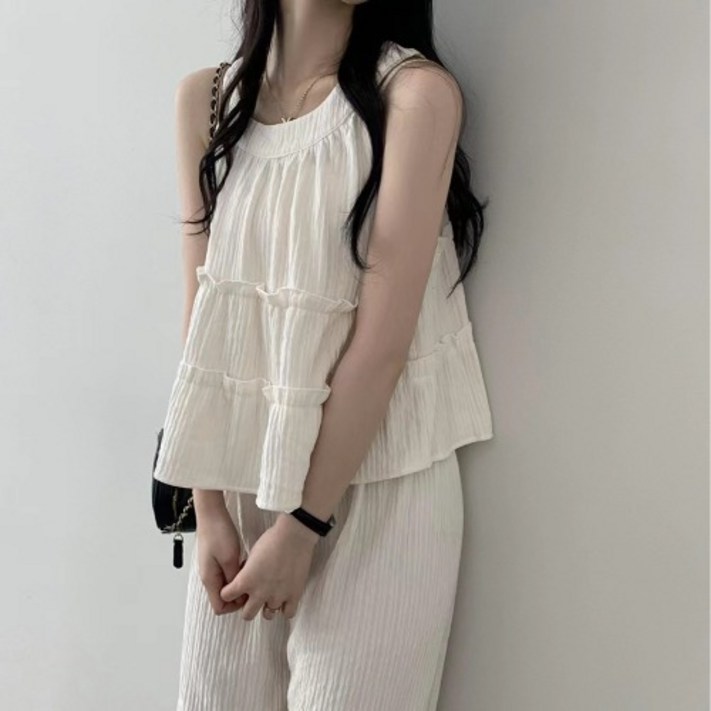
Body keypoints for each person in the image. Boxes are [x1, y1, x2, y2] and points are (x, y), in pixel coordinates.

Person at [153, 0, 494, 708]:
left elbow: (382, 345)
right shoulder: (207, 101)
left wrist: (304, 525)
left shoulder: (414, 96)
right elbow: (202, 321)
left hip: (380, 489)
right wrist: (207, 507)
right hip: (237, 485)